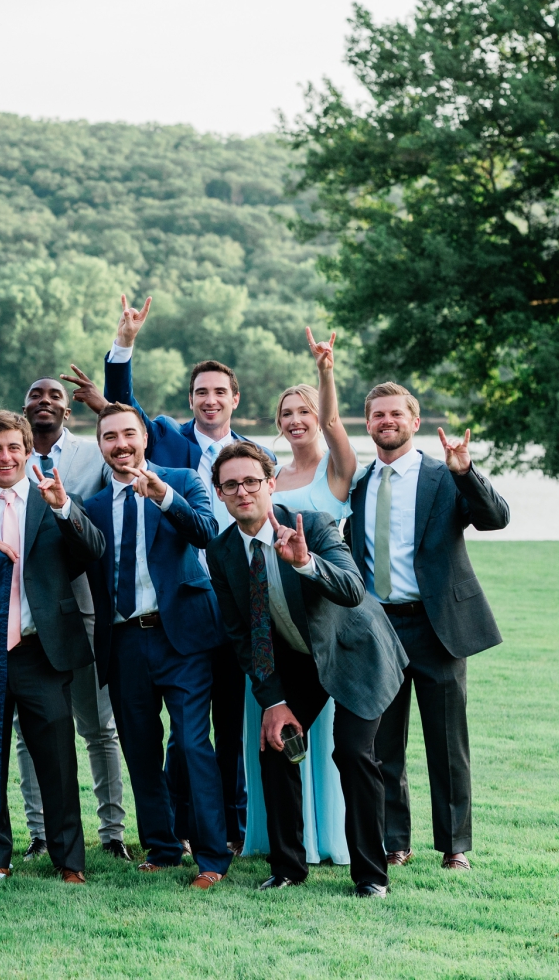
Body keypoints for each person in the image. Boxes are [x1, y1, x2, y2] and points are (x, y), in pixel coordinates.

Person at [204, 441, 396, 897]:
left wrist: (307, 563)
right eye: (231, 484)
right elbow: (242, 635)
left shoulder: (313, 524)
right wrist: (273, 700)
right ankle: (288, 868)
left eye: (251, 481)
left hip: (355, 652)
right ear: (220, 492)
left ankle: (371, 876)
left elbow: (351, 589)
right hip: (295, 661)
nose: (242, 491)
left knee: (352, 752)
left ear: (270, 483)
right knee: (276, 747)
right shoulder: (222, 551)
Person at [100, 295, 252, 853]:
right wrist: (125, 343)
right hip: (150, 619)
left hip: (216, 609)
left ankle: (228, 836)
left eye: (219, 392)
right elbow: (122, 411)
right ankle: (171, 840)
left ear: (235, 400)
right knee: (158, 745)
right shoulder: (165, 439)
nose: (210, 400)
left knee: (212, 737)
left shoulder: (254, 458)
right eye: (200, 393)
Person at [349, 383, 510, 871]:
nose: (386, 421)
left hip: (437, 627)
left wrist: (468, 473)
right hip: (379, 630)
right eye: (377, 415)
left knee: (447, 745)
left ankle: (454, 847)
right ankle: (395, 841)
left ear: (415, 422)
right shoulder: (357, 483)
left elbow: (495, 519)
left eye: (396, 413)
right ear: (369, 423)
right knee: (382, 747)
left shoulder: (444, 477)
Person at [84, 403, 230, 889]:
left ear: (144, 438)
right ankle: (163, 848)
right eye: (110, 437)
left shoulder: (184, 480)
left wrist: (164, 495)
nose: (121, 444)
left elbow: (207, 534)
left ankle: (211, 857)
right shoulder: (98, 504)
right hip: (124, 641)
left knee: (191, 745)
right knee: (140, 750)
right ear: (101, 445)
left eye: (129, 434)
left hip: (183, 637)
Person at [0, 411, 105, 883]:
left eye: (14, 448)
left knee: (58, 761)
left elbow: (93, 552)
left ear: (28, 453)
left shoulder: (54, 500)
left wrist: (65, 508)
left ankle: (69, 861)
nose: (6, 456)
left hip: (42, 648)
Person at [239, 329, 360, 865]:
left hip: (328, 617)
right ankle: (282, 841)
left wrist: (324, 373)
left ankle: (327, 838)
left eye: (303, 410)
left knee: (333, 741)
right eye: (286, 412)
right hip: (275, 624)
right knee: (277, 734)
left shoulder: (335, 472)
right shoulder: (272, 476)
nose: (294, 420)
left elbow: (335, 424)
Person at [12, 376, 129, 863]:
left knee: (98, 725)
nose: (45, 401)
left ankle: (113, 831)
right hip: (23, 611)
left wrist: (108, 401)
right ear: (24, 408)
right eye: (36, 396)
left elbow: (132, 455)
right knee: (29, 729)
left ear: (68, 409)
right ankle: (39, 831)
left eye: (54, 396)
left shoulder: (90, 453)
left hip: (81, 603)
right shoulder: (8, 455)